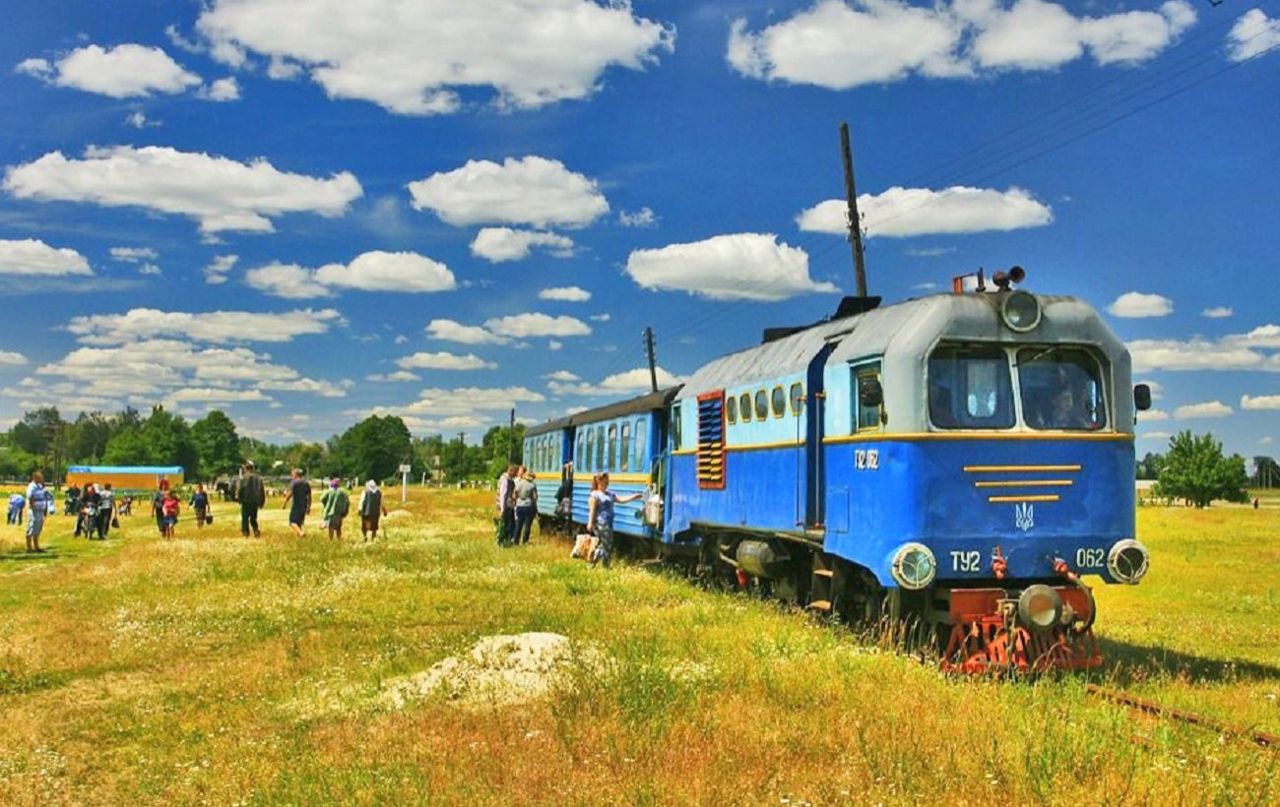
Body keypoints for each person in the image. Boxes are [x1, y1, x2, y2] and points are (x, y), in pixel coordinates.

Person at [586, 472, 644, 569]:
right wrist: (590, 523)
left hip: (608, 523)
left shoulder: (609, 494)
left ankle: (598, 565)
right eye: (605, 482)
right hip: (601, 523)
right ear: (598, 481)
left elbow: (621, 499)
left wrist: (634, 497)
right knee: (606, 545)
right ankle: (600, 564)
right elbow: (592, 511)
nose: (607, 484)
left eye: (607, 483)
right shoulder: (595, 495)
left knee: (606, 545)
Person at [281, 468, 311, 538]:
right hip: (304, 505)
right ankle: (299, 538)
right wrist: (309, 506)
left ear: (296, 475)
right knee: (299, 523)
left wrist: (284, 504)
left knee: (292, 522)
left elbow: (290, 494)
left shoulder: (294, 483)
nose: (292, 476)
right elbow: (309, 496)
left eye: (293, 474)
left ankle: (301, 533)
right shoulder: (306, 483)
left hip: (296, 505)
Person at [239, 461, 265, 538]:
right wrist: (262, 501)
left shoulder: (244, 478)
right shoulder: (258, 478)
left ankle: (245, 533)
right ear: (252, 468)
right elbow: (261, 490)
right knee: (253, 518)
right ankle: (256, 531)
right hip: (255, 501)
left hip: (246, 500)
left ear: (246, 468)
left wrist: (239, 499)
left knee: (245, 518)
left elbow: (240, 489)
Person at [513, 470, 539, 545]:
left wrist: (518, 500)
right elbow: (535, 497)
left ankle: (516, 541)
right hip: (528, 506)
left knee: (518, 524)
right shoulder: (532, 485)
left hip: (519, 506)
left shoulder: (519, 483)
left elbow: (514, 495)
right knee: (527, 525)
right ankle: (525, 541)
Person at [25, 471, 48, 553]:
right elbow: (30, 497)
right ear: (35, 478)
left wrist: (45, 509)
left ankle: (36, 546)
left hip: (40, 510)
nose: (42, 479)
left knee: (38, 528)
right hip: (34, 511)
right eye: (40, 478)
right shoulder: (31, 487)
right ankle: (29, 547)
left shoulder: (40, 486)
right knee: (32, 526)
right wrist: (33, 507)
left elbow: (44, 497)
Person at [496, 464, 517, 546]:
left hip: (507, 505)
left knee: (508, 524)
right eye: (515, 472)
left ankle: (505, 540)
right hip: (506, 506)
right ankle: (504, 541)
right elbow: (503, 494)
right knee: (507, 524)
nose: (516, 474)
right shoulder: (505, 480)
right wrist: (502, 508)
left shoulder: (508, 479)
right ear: (511, 471)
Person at [554, 463, 574, 536]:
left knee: (562, 512)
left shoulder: (566, 482)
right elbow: (565, 495)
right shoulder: (569, 483)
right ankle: (563, 526)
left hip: (561, 497)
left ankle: (561, 525)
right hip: (563, 498)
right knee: (565, 512)